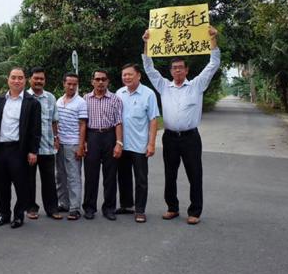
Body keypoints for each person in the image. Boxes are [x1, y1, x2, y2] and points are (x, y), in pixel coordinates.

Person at [142, 26, 220, 225]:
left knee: (195, 174)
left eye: (180, 68)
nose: (177, 71)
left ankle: (195, 211)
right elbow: (149, 69)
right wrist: (147, 42)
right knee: (170, 174)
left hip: (190, 138)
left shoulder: (197, 85)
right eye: (174, 68)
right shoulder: (163, 86)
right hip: (169, 137)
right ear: (170, 71)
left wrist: (212, 39)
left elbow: (213, 64)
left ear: (186, 70)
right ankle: (172, 208)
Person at [0, 67, 41, 229]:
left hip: (20, 149)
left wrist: (33, 151)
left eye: (20, 78)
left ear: (25, 80)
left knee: (21, 184)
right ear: (8, 80)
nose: (16, 81)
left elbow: (35, 129)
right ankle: (4, 214)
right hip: (1, 148)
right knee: (0, 185)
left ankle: (18, 215)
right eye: (13, 77)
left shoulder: (32, 103)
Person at [115, 64, 160, 223]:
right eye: (124, 75)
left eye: (130, 74)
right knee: (123, 176)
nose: (126, 77)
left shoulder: (148, 94)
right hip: (122, 144)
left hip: (140, 145)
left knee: (141, 179)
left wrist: (151, 143)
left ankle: (140, 210)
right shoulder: (119, 93)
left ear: (138, 76)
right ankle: (126, 205)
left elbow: (153, 120)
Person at [82, 69, 123, 221]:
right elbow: (83, 123)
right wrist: (84, 142)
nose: (100, 82)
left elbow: (119, 122)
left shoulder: (115, 99)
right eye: (97, 79)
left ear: (108, 81)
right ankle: (89, 208)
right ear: (92, 81)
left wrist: (119, 143)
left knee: (110, 175)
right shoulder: (85, 99)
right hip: (92, 136)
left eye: (103, 79)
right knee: (90, 175)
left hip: (109, 136)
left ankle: (109, 208)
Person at [25, 67, 62, 220]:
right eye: (36, 78)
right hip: (29, 148)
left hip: (47, 146)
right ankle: (31, 208)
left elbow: (54, 120)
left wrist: (56, 137)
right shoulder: (24, 97)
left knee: (49, 180)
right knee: (29, 180)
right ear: (30, 79)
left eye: (41, 79)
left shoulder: (51, 98)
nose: (39, 81)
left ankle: (52, 208)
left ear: (45, 80)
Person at [55, 73, 88, 220]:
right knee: (60, 176)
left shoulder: (80, 102)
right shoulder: (58, 101)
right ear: (64, 83)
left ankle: (75, 207)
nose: (71, 86)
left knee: (73, 177)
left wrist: (81, 146)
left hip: (73, 143)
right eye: (69, 83)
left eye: (74, 84)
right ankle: (63, 203)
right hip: (59, 144)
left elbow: (83, 125)